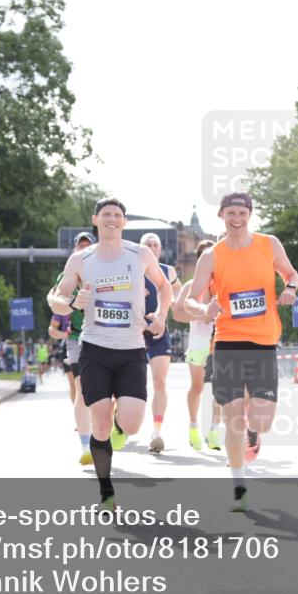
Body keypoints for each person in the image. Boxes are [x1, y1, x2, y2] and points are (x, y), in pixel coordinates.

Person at [47, 198, 172, 510]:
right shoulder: (80, 259)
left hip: (131, 349)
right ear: (96, 220)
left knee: (130, 425)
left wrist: (160, 315)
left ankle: (120, 424)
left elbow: (165, 287)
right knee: (98, 422)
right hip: (95, 349)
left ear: (124, 222)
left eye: (118, 215)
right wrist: (73, 302)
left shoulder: (140, 253)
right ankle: (106, 492)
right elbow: (57, 299)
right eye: (106, 215)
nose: (112, 219)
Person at [184, 193, 298, 511]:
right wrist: (203, 308)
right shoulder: (211, 256)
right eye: (231, 212)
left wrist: (289, 289)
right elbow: (189, 300)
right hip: (228, 344)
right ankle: (238, 485)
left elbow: (291, 274)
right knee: (233, 417)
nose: (237, 218)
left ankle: (254, 431)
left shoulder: (268, 244)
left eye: (242, 212)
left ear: (250, 214)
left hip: (263, 343)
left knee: (261, 421)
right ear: (221, 215)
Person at [50, 231, 96, 465]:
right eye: (80, 247)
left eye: (88, 247)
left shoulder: (103, 272)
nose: (83, 251)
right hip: (76, 339)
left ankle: (105, 430)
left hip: (102, 337)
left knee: (105, 392)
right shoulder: (65, 277)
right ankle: (86, 446)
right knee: (82, 389)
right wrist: (67, 303)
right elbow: (56, 305)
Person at [173, 239, 222, 451]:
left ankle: (213, 431)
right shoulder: (191, 286)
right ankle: (193, 426)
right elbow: (177, 313)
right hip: (199, 342)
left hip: (221, 340)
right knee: (197, 386)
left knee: (220, 389)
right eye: (203, 255)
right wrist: (200, 314)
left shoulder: (223, 283)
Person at [138, 233, 183, 453]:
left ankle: (156, 432)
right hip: (133, 331)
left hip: (158, 331)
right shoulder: (132, 268)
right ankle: (118, 420)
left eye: (156, 245)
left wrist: (173, 305)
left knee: (160, 381)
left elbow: (177, 288)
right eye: (148, 244)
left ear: (161, 249)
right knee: (127, 383)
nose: (153, 248)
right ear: (141, 248)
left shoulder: (168, 271)